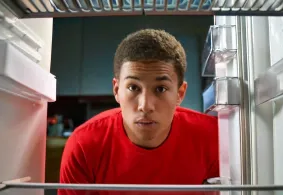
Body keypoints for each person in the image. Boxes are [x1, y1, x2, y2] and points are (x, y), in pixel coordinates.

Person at [59, 29, 219, 194]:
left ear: (180, 93)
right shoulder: (83, 145)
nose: (145, 105)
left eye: (161, 89)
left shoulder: (214, 136)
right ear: (116, 90)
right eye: (133, 87)